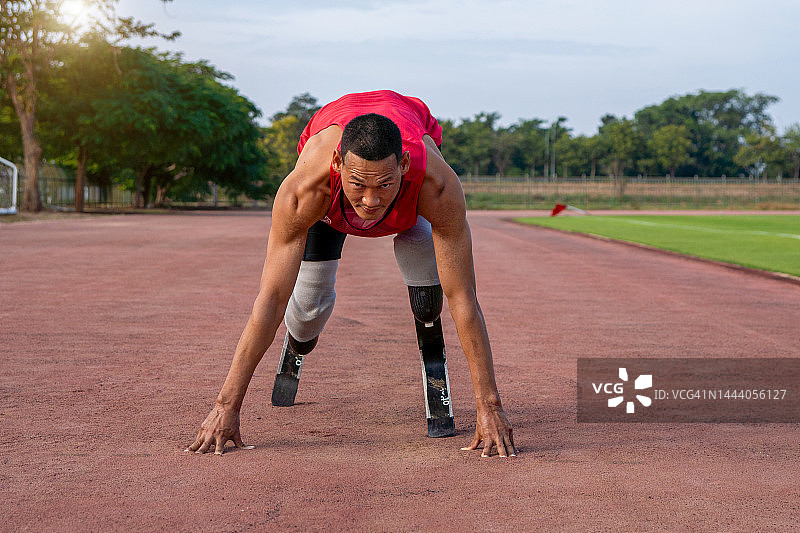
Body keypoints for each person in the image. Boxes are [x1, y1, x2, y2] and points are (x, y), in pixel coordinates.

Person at [186, 90, 516, 458]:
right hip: (329, 208)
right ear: (338, 162)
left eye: (384, 184)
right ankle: (299, 340)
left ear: (405, 164)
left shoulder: (436, 184)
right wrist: (226, 405)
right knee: (307, 307)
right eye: (359, 183)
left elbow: (463, 296)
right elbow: (271, 298)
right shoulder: (306, 189)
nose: (371, 201)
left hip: (410, 202)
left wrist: (490, 406)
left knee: (428, 287)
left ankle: (424, 311)